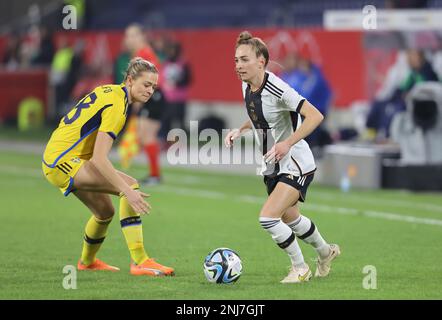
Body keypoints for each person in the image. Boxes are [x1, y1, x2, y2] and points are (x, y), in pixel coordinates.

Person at [42, 58, 174, 277]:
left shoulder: (110, 91)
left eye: (154, 87)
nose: (150, 91)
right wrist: (128, 191)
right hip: (63, 161)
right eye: (146, 84)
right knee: (130, 184)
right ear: (130, 80)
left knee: (105, 212)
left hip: (59, 157)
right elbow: (99, 159)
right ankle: (140, 261)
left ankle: (87, 261)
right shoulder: (117, 106)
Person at [225, 31, 340, 283]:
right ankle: (325, 252)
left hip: (296, 162)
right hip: (272, 164)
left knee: (268, 217)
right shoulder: (247, 84)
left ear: (261, 61)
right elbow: (261, 115)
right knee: (292, 219)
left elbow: (315, 116)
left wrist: (287, 143)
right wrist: (240, 129)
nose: (238, 66)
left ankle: (300, 268)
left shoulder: (278, 88)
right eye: (236, 60)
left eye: (244, 60)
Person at [124, 24, 165, 185]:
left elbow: (151, 79)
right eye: (127, 36)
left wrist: (139, 100)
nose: (128, 39)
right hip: (151, 97)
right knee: (144, 135)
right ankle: (154, 173)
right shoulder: (141, 53)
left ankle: (155, 175)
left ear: (141, 37)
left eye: (132, 35)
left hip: (153, 97)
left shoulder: (144, 54)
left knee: (147, 135)